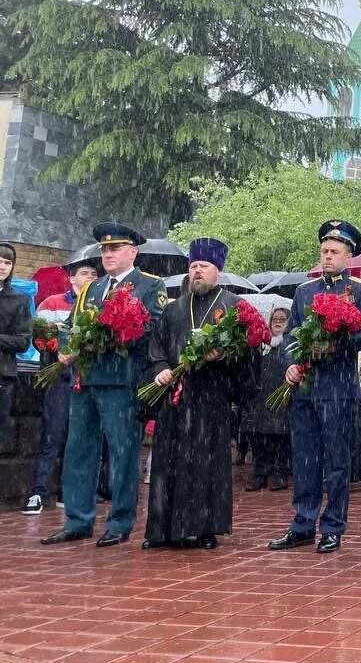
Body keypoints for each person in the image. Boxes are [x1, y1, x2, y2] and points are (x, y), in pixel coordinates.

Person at [42, 223, 167, 548]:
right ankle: (78, 519)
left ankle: (120, 521)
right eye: (104, 250)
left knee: (123, 454)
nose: (108, 254)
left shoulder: (150, 285)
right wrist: (66, 347)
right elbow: (71, 325)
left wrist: (116, 334)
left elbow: (156, 329)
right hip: (86, 380)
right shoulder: (91, 289)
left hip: (122, 381)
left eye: (115, 249)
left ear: (133, 252)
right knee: (79, 450)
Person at [267, 220, 361, 555]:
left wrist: (339, 345)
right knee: (304, 459)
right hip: (304, 387)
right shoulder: (305, 291)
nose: (327, 257)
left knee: (336, 461)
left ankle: (332, 526)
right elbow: (290, 335)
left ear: (349, 256)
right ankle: (302, 524)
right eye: (324, 251)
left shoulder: (360, 291)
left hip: (337, 387)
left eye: (334, 252)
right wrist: (289, 364)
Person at [143, 238, 254, 549]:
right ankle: (163, 530)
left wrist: (224, 356)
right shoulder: (174, 309)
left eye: (204, 266)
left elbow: (247, 354)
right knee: (169, 462)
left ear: (217, 270)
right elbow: (156, 348)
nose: (197, 272)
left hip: (211, 398)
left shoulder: (233, 306)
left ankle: (205, 527)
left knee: (207, 464)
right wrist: (162, 368)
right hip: (175, 400)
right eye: (193, 267)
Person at [22, 261, 96, 515]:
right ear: (72, 279)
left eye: (94, 274)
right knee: (52, 436)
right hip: (60, 377)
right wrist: (59, 346)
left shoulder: (98, 306)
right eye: (85, 273)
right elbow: (39, 338)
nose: (90, 277)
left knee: (78, 439)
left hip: (86, 380)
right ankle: (38, 492)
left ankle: (69, 491)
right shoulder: (53, 303)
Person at [243, 305, 292, 492]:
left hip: (281, 399)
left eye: (282, 319)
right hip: (261, 400)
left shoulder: (288, 345)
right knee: (260, 438)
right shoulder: (261, 345)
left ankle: (281, 473)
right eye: (275, 319)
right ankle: (260, 474)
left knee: (280, 438)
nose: (278, 322)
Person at [0, 244, 32, 460]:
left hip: (3, 375)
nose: (2, 266)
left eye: (8, 262)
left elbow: (23, 341)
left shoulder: (19, 300)